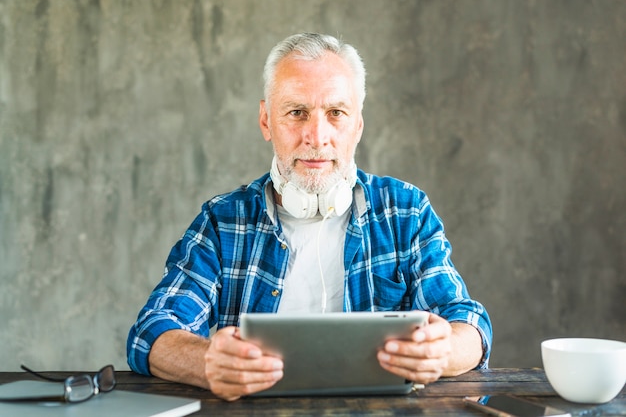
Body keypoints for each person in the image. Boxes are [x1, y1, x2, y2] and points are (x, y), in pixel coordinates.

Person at [127, 32, 493, 402]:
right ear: (266, 121)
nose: (317, 137)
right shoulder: (223, 221)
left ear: (358, 125)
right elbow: (152, 330)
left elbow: (468, 322)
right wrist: (206, 361)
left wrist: (442, 351)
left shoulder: (406, 211)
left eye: (336, 113)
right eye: (297, 113)